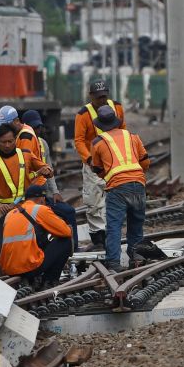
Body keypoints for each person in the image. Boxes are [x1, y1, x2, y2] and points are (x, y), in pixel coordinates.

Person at [89, 104, 150, 271]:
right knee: (136, 223)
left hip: (117, 188)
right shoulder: (132, 136)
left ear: (100, 125)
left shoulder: (98, 143)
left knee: (114, 226)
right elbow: (145, 161)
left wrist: (109, 176)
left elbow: (97, 169)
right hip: (138, 184)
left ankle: (114, 263)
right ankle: (136, 257)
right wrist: (135, 175)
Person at [0, 123, 52, 252]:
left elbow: (47, 169)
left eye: (10, 141)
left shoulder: (26, 155)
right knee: (5, 249)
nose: (7, 145)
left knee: (36, 244)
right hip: (5, 213)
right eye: (3, 142)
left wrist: (47, 171)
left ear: (15, 139)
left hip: (29, 209)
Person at [74, 79, 125, 249]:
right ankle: (98, 238)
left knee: (115, 198)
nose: (101, 100)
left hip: (114, 162)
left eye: (104, 96)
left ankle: (112, 234)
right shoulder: (83, 115)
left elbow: (123, 130)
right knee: (94, 200)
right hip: (93, 165)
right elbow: (79, 140)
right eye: (98, 97)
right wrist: (89, 159)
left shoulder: (117, 108)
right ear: (91, 97)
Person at [23, 108, 80, 250]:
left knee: (69, 212)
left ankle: (74, 247)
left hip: (45, 195)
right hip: (30, 197)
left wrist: (54, 192)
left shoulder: (43, 144)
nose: (37, 130)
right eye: (34, 127)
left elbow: (49, 170)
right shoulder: (22, 144)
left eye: (38, 127)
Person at [0, 184, 73, 290]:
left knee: (37, 238)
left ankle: (32, 280)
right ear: (41, 198)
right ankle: (49, 281)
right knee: (65, 241)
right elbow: (66, 232)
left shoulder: (10, 214)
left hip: (9, 269)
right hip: (28, 267)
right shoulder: (39, 209)